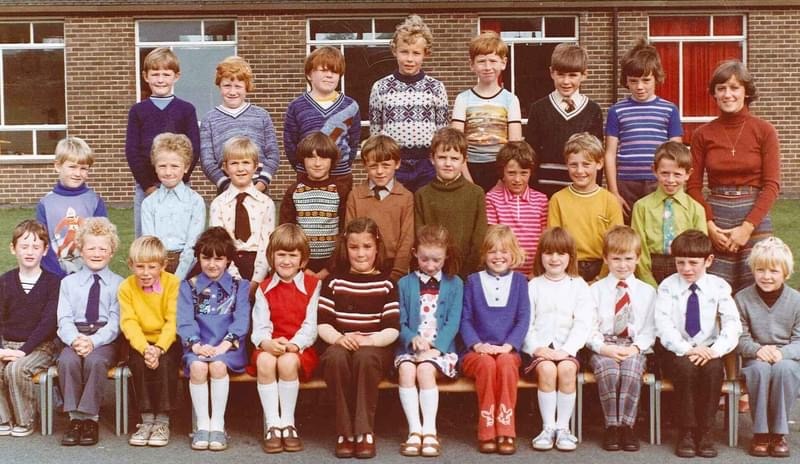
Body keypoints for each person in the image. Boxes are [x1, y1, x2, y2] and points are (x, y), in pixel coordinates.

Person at [687, 60, 780, 294]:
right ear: (714, 93)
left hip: (754, 216)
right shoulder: (702, 134)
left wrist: (747, 228)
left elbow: (771, 185)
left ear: (746, 92)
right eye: (721, 88)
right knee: (715, 291)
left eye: (734, 88)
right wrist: (709, 225)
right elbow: (693, 186)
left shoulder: (765, 130)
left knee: (758, 286)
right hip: (717, 218)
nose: (727, 94)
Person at [654, 229, 742, 458]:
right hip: (677, 350)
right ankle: (686, 431)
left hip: (709, 350)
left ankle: (705, 430)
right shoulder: (667, 286)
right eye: (680, 262)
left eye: (693, 263)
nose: (686, 269)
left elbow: (733, 323)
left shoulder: (719, 286)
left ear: (708, 260)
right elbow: (663, 325)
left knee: (713, 370)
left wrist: (715, 351)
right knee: (686, 368)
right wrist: (687, 349)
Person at [317, 217, 399, 459]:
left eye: (367, 247)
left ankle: (364, 431)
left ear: (377, 248)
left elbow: (392, 329)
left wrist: (370, 340)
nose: (361, 253)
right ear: (346, 248)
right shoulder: (334, 282)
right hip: (341, 342)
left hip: (375, 347)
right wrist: (338, 338)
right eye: (354, 247)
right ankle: (344, 432)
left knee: (365, 357)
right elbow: (323, 323)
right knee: (335, 357)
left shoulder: (386, 284)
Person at [177, 227, 250, 451]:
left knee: (218, 366)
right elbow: (185, 320)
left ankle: (218, 424)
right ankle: (202, 425)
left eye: (219, 259)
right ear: (198, 258)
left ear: (228, 260)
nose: (212, 264)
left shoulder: (240, 286)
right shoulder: (188, 286)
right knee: (198, 368)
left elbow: (241, 320)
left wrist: (223, 347)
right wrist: (197, 345)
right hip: (197, 345)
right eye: (206, 258)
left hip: (229, 347)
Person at [248, 224, 320, 454]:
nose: (286, 261)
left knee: (287, 362)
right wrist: (266, 343)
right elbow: (259, 326)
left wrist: (295, 344)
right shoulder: (264, 288)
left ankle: (288, 423)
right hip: (271, 344)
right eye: (281, 255)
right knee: (265, 361)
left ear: (303, 260)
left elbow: (311, 325)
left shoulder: (312, 285)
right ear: (271, 257)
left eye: (292, 255)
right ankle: (273, 424)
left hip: (300, 348)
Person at [460, 225, 530, 455]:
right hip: (477, 351)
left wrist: (509, 346)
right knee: (487, 364)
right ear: (484, 254)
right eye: (492, 251)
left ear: (513, 254)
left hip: (508, 350)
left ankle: (506, 429)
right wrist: (478, 345)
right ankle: (487, 429)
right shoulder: (473, 281)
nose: (498, 256)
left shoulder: (520, 282)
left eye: (504, 251)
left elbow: (523, 318)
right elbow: (465, 318)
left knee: (507, 364)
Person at [523, 227, 593, 452]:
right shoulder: (533, 286)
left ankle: (563, 428)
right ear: (540, 255)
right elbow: (526, 323)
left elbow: (583, 323)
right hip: (540, 349)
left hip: (567, 349)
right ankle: (548, 427)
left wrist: (567, 350)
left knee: (566, 369)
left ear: (570, 257)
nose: (554, 259)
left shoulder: (579, 286)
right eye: (549, 253)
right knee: (547, 370)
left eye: (561, 253)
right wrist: (536, 348)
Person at [395, 225, 462, 458]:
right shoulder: (404, 284)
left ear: (446, 256)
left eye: (436, 260)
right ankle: (414, 430)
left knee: (424, 370)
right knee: (406, 370)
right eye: (424, 259)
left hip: (440, 351)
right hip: (410, 348)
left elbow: (453, 322)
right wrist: (412, 338)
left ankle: (430, 430)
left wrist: (436, 348)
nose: (430, 266)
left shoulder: (455, 283)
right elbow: (399, 321)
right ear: (415, 253)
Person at [55, 217, 123, 446]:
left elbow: (115, 322)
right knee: (67, 361)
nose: (96, 253)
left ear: (111, 252)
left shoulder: (119, 283)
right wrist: (75, 340)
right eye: (91, 248)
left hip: (104, 339)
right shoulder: (68, 283)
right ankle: (75, 419)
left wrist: (93, 341)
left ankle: (90, 419)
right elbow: (64, 318)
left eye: (103, 248)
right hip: (75, 335)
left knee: (95, 361)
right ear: (81, 250)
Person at [587, 226, 656, 452]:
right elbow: (588, 327)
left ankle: (627, 426)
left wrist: (636, 348)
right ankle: (611, 426)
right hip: (604, 345)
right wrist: (602, 348)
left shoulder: (647, 292)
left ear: (638, 258)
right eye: (616, 259)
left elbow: (650, 329)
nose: (622, 265)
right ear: (606, 258)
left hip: (633, 346)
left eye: (628, 258)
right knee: (609, 370)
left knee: (630, 370)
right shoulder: (595, 290)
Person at [735, 237, 800, 458]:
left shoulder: (796, 301)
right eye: (760, 270)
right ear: (753, 270)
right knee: (759, 370)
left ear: (786, 273)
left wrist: (782, 353)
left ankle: (779, 434)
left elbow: (799, 340)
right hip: (756, 356)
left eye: (774, 271)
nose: (766, 276)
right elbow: (739, 337)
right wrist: (757, 350)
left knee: (784, 369)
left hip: (787, 358)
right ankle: (760, 433)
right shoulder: (742, 299)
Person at [125, 47, 200, 237]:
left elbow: (194, 149)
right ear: (145, 76)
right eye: (155, 74)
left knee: (180, 234)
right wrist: (147, 186)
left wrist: (178, 179)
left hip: (179, 186)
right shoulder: (138, 111)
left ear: (176, 76)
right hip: (147, 188)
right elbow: (132, 151)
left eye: (166, 74)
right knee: (147, 239)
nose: (160, 80)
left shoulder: (186, 110)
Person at [604, 38, 683, 218]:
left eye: (646, 80)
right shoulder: (616, 111)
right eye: (633, 81)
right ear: (626, 81)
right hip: (626, 184)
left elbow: (677, 154)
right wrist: (614, 192)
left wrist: (674, 186)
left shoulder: (670, 110)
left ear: (656, 78)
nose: (639, 87)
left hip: (659, 182)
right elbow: (610, 154)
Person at [369, 14, 448, 192]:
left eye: (416, 53)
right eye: (404, 52)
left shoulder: (436, 87)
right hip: (394, 163)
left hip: (427, 164)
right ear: (394, 51)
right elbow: (376, 134)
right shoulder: (380, 87)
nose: (409, 59)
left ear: (425, 53)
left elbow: (442, 132)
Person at [118, 236, 181, 447]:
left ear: (163, 265)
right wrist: (145, 349)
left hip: (167, 340)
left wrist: (159, 348)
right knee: (137, 363)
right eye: (140, 267)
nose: (145, 273)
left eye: (152, 267)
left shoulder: (173, 284)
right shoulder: (126, 287)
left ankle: (162, 419)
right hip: (141, 340)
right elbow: (129, 322)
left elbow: (172, 321)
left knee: (166, 363)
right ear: (131, 265)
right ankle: (146, 419)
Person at [0, 220, 60, 437]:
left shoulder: (53, 283)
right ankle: (4, 418)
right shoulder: (5, 281)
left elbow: (48, 323)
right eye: (24, 246)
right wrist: (2, 350)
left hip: (40, 347)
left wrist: (23, 351)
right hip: (8, 344)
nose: (29, 252)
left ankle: (26, 419)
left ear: (45, 250)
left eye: (36, 247)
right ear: (13, 248)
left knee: (16, 369)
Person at [525, 43, 603, 198]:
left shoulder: (593, 110)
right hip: (544, 187)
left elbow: (595, 155)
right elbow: (530, 155)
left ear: (584, 75)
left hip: (580, 187)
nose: (566, 81)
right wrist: (533, 191)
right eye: (561, 74)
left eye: (573, 75)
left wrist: (594, 191)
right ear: (551, 73)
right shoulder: (538, 109)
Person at [451, 31, 522, 192]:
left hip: (500, 170)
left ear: (503, 63)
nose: (488, 67)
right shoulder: (463, 99)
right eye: (481, 61)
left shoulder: (511, 100)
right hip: (468, 168)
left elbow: (514, 145)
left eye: (493, 61)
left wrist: (503, 179)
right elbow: (457, 144)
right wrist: (466, 179)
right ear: (472, 65)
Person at [548, 132, 623, 282]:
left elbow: (617, 245)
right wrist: (569, 276)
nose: (579, 171)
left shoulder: (610, 201)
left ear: (599, 163)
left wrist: (601, 278)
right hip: (569, 267)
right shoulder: (557, 200)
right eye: (573, 165)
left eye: (586, 164)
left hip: (603, 267)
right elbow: (554, 244)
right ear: (567, 164)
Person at [631, 141, 707, 287]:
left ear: (688, 174)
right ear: (654, 170)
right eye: (665, 173)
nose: (671, 180)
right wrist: (648, 283)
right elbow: (639, 248)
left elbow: (700, 251)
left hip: (684, 267)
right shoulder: (641, 207)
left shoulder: (696, 209)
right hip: (652, 266)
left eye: (677, 174)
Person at [200, 56, 280, 194]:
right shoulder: (209, 119)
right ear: (219, 86)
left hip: (259, 190)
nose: (232, 92)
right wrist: (226, 186)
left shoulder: (262, 116)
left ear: (247, 87)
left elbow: (273, 154)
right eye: (227, 86)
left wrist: (261, 185)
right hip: (226, 191)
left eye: (238, 86)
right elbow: (207, 160)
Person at [415, 127, 487, 277]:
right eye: (442, 157)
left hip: (467, 273)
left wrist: (467, 272)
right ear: (432, 158)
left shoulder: (476, 193)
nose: (448, 163)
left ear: (464, 160)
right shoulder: (422, 194)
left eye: (454, 159)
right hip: (431, 271)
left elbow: (479, 239)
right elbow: (419, 236)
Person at [284, 46, 360, 188]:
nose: (329, 75)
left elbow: (354, 143)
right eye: (324, 70)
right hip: (307, 177)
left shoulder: (351, 106)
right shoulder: (296, 106)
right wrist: (304, 168)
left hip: (341, 177)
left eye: (335, 71)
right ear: (309, 74)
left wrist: (341, 165)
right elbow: (290, 144)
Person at [209, 136, 274, 294]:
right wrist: (236, 280)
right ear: (225, 167)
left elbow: (267, 244)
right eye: (234, 163)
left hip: (258, 264)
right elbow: (219, 244)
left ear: (256, 166)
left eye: (246, 162)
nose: (240, 169)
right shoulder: (218, 204)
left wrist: (257, 280)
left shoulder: (266, 203)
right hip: (227, 264)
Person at [345, 134, 415, 281]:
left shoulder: (406, 197)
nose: (380, 171)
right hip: (363, 267)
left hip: (393, 269)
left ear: (397, 164)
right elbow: (350, 236)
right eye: (373, 166)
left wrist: (397, 274)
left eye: (386, 165)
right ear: (365, 165)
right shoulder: (355, 196)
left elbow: (407, 240)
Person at [279, 132, 347, 281]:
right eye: (311, 157)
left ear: (332, 160)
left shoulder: (341, 191)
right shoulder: (294, 191)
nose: (317, 163)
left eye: (323, 157)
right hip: (300, 265)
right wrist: (303, 266)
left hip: (332, 266)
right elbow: (287, 233)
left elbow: (344, 232)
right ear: (303, 159)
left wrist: (329, 268)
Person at [37, 136, 107, 278]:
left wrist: (87, 271)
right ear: (58, 166)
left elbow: (102, 240)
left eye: (83, 168)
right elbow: (42, 242)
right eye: (72, 167)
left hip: (88, 274)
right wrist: (57, 273)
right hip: (54, 274)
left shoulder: (95, 201)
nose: (77, 173)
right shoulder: (45, 203)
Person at [140, 132, 206, 279]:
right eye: (162, 166)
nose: (168, 172)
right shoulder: (149, 203)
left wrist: (178, 278)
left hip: (188, 266)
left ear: (186, 167)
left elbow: (193, 244)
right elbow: (150, 243)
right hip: (157, 266)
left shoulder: (195, 201)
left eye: (175, 166)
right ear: (155, 167)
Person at [485, 141, 548, 275]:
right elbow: (493, 240)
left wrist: (537, 272)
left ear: (531, 172)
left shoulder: (541, 200)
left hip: (534, 274)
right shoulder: (492, 199)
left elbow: (545, 240)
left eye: (523, 173)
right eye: (511, 173)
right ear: (502, 172)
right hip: (503, 273)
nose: (517, 179)